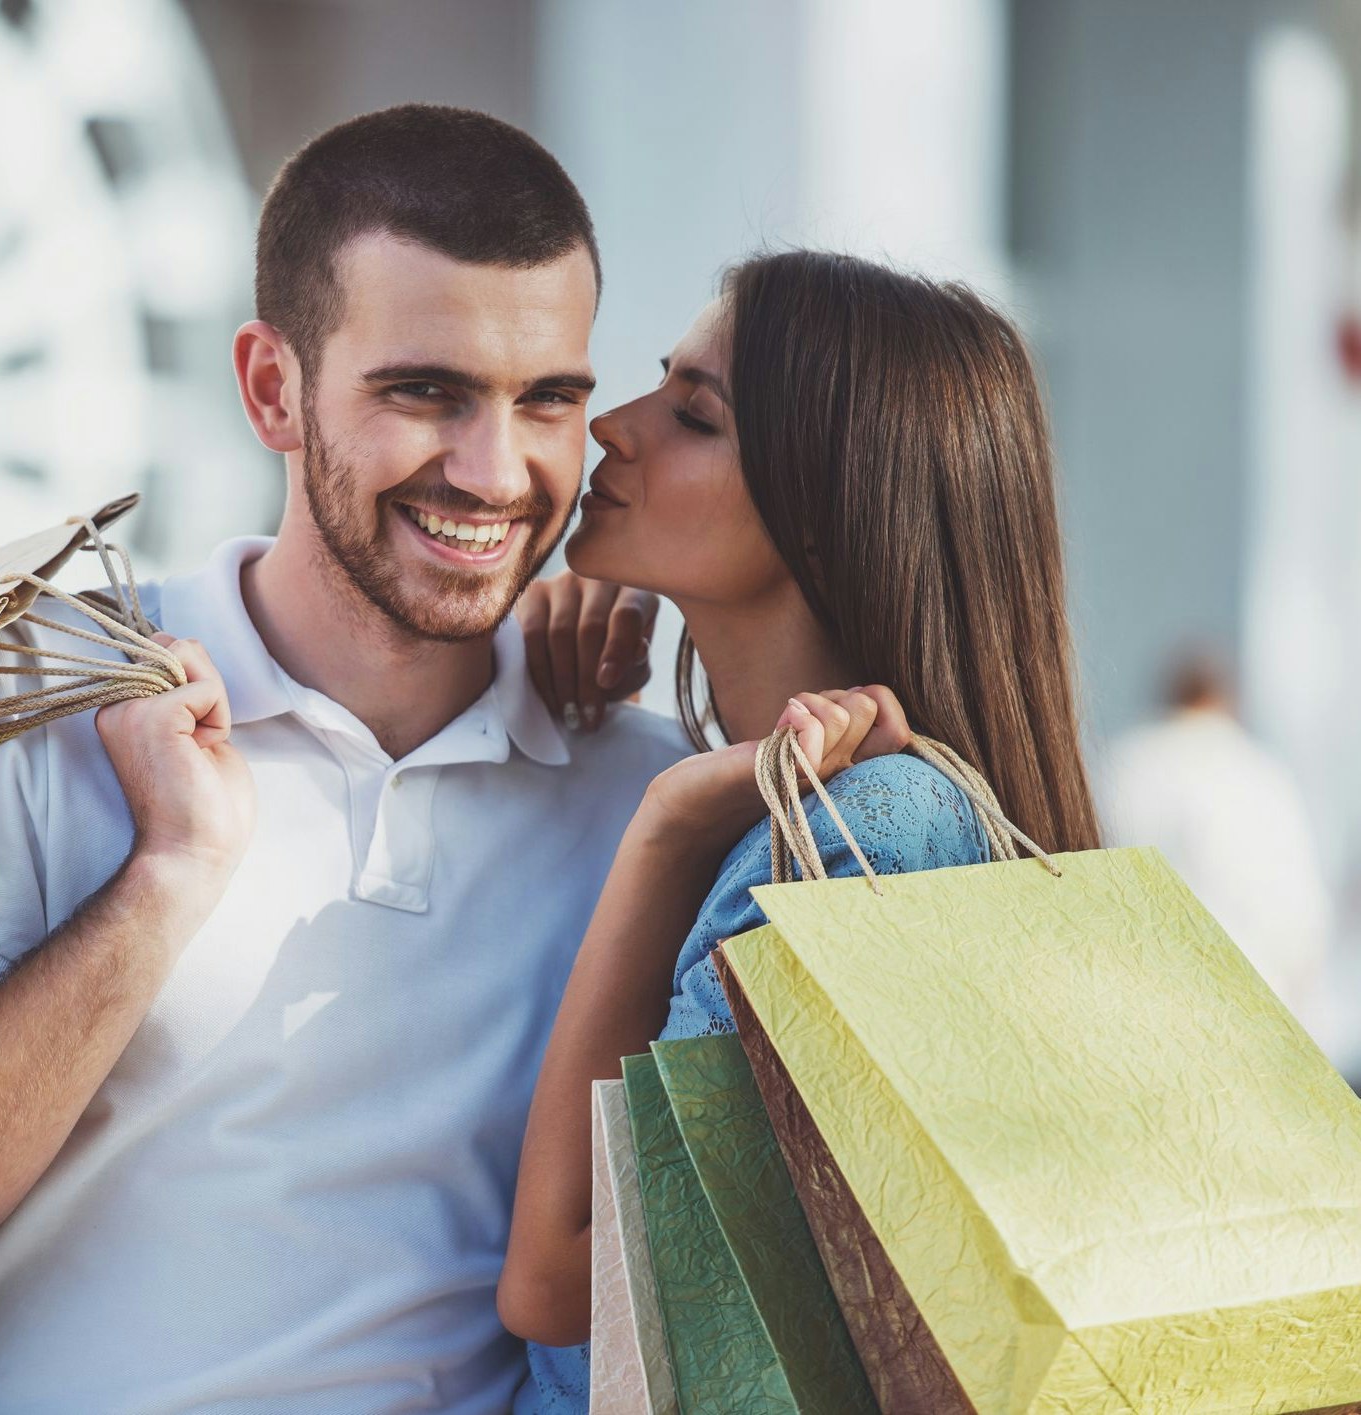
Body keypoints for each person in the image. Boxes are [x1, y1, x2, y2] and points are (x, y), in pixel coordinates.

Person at [0, 105, 683, 1414]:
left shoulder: (648, 804)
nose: (493, 470)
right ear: (270, 388)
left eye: (546, 400)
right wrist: (167, 877)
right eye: (424, 391)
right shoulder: (45, 690)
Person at [498, 251, 1103, 1410]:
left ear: (826, 519)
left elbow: (564, 1281)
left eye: (694, 417)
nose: (613, 427)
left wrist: (664, 831)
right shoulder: (822, 817)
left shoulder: (859, 838)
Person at [1104, 651, 1331, 1017]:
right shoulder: (1261, 773)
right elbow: (1301, 916)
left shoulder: (1126, 765)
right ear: (1226, 698)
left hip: (1146, 995)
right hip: (1250, 996)